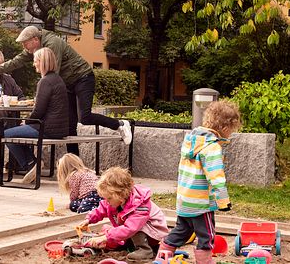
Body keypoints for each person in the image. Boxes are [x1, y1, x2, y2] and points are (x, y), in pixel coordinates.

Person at [0, 25, 133, 155]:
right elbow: (18, 60)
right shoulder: (36, 47)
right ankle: (75, 167)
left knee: (85, 117)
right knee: (70, 127)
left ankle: (119, 124)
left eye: (25, 43)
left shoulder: (52, 44)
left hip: (82, 77)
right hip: (68, 82)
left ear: (35, 39)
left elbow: (52, 76)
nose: (24, 47)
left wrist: (40, 97)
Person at [156, 101, 242, 264]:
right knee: (207, 236)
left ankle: (163, 255)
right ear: (225, 128)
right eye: (232, 129)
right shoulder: (212, 147)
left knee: (182, 230)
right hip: (201, 204)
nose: (231, 133)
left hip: (184, 199)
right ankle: (205, 262)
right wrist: (223, 200)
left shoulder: (191, 141)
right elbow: (216, 177)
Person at [4, 48, 69, 183]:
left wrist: (26, 122)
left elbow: (38, 111)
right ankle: (32, 164)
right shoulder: (58, 79)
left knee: (7, 134)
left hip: (47, 129)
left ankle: (30, 164)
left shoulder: (45, 81)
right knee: (18, 133)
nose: (34, 64)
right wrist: (28, 122)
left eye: (35, 61)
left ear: (42, 62)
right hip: (59, 129)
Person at [77, 167, 168, 261]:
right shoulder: (115, 200)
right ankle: (130, 245)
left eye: (109, 199)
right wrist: (89, 219)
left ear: (120, 194)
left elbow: (131, 228)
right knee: (111, 232)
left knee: (128, 229)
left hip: (153, 232)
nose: (107, 202)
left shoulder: (140, 205)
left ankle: (145, 250)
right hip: (134, 230)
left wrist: (105, 237)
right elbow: (102, 208)